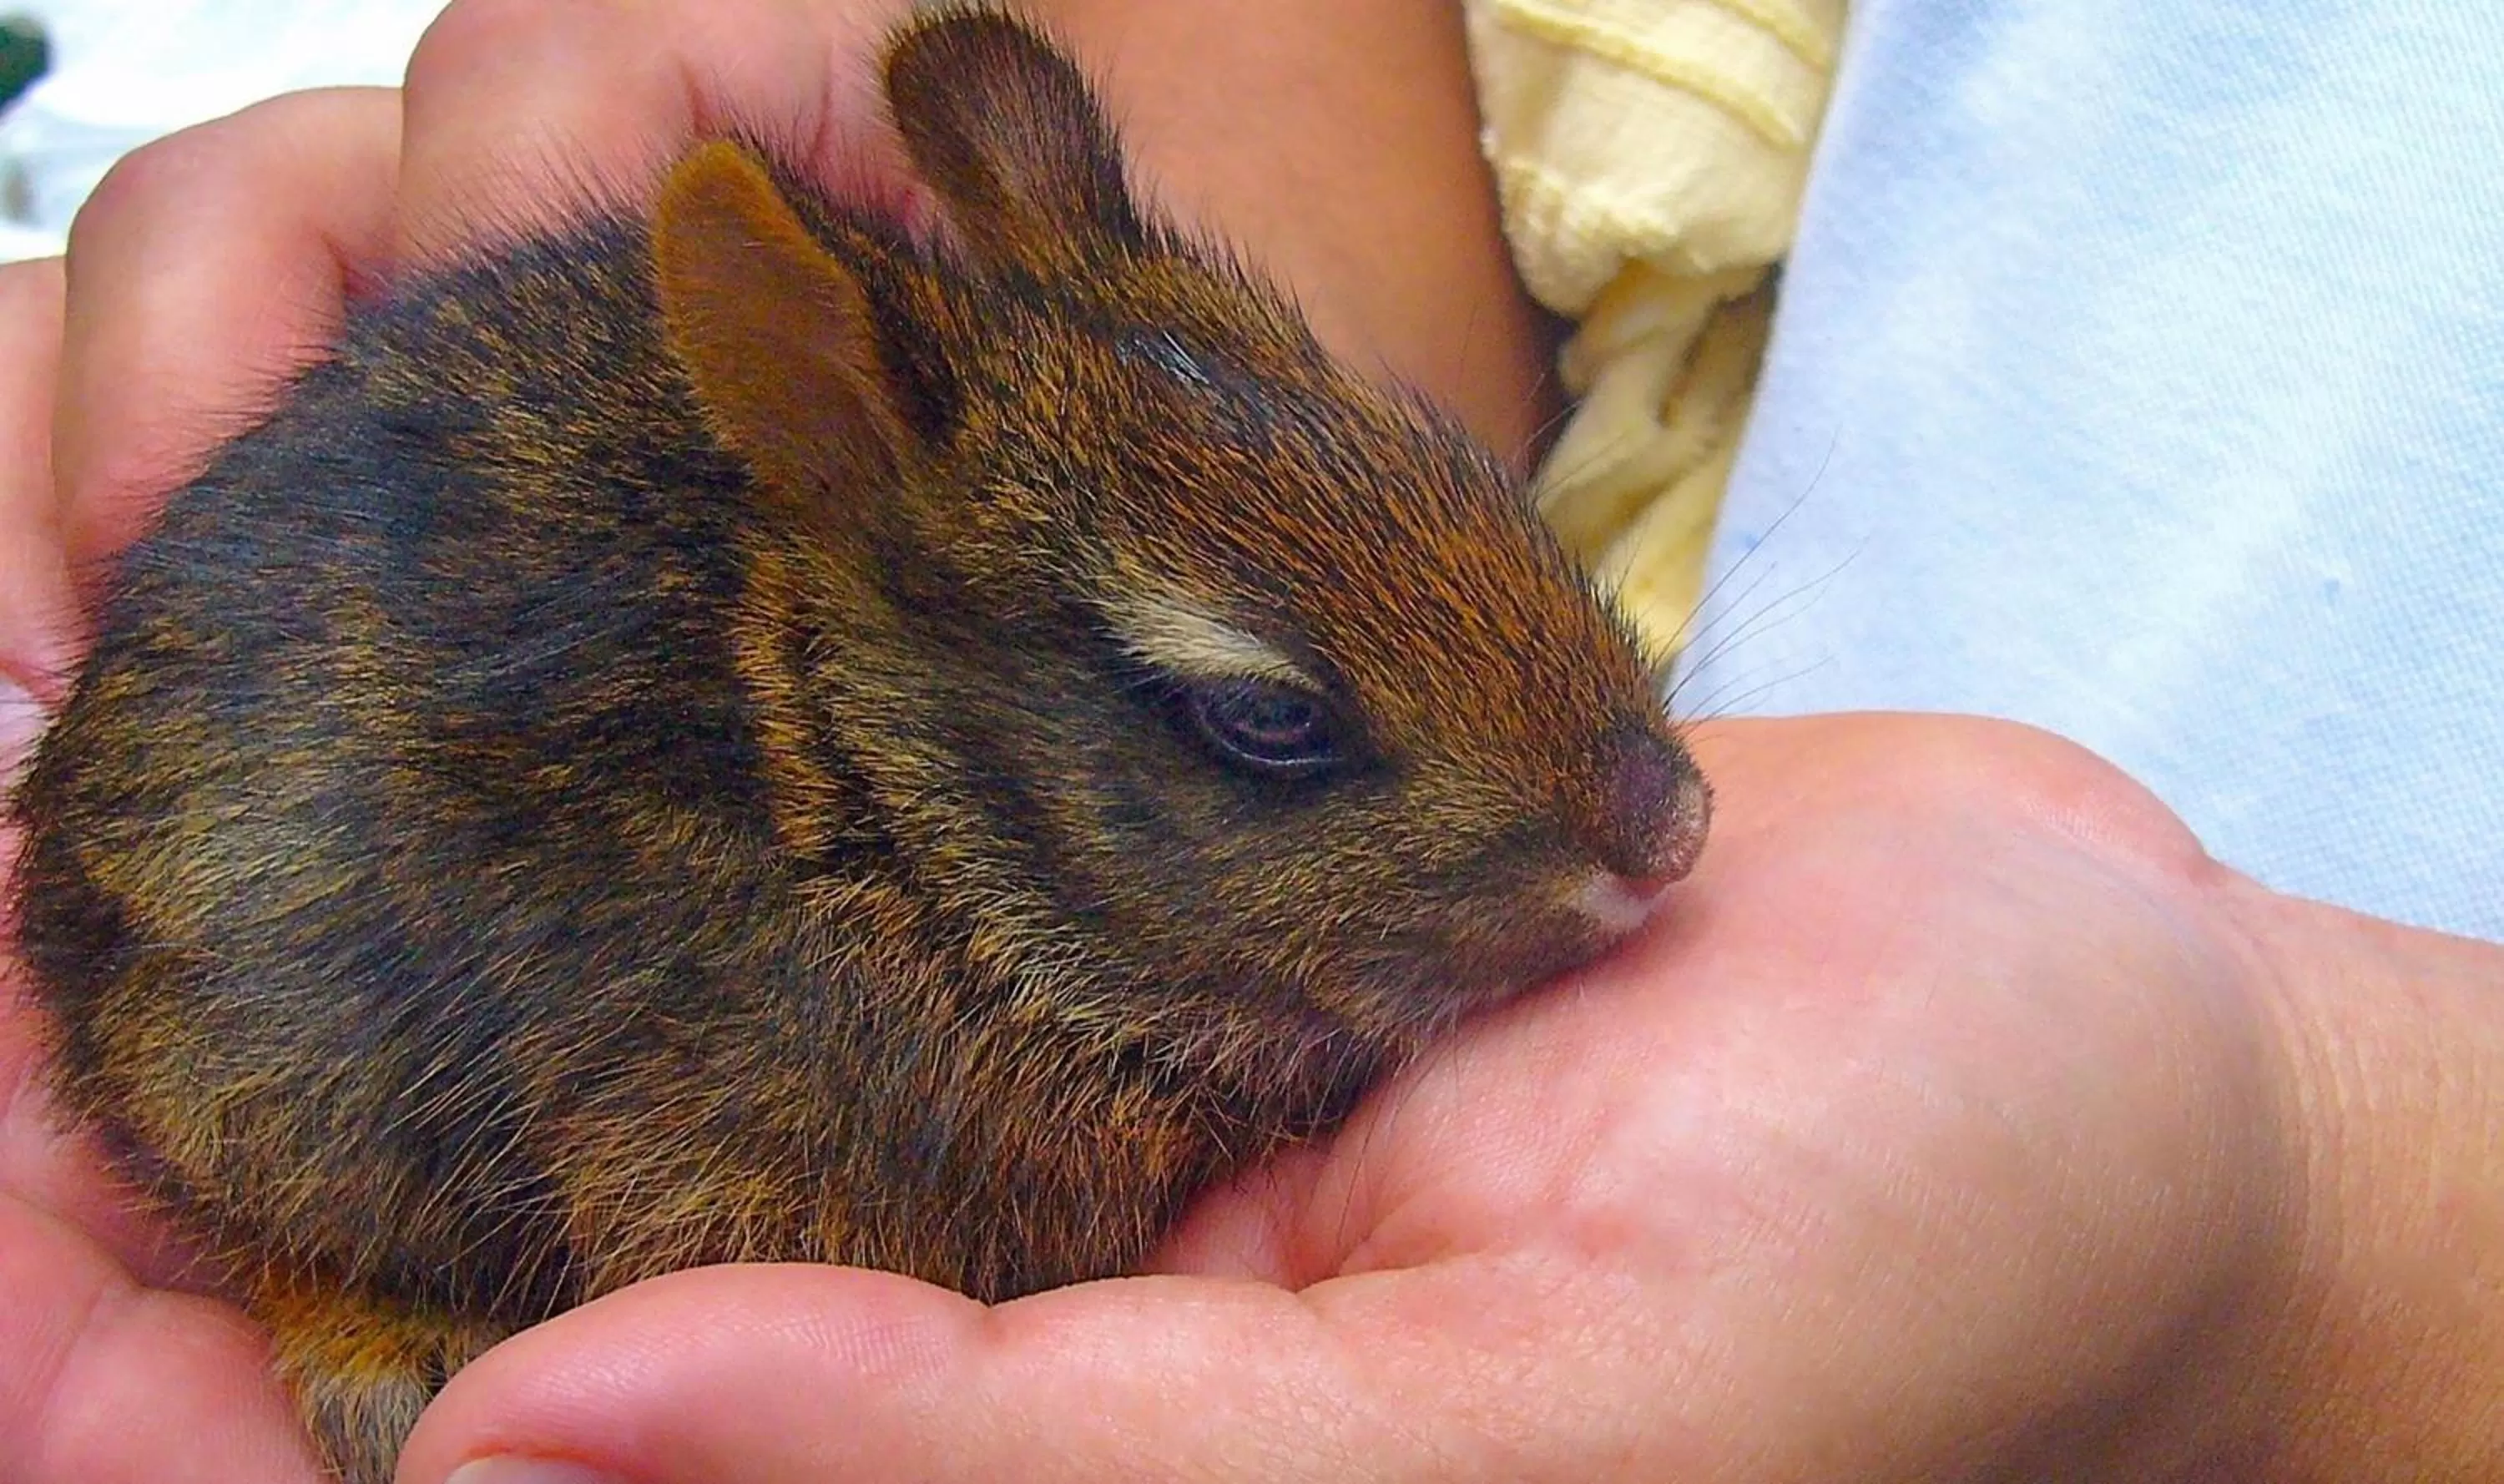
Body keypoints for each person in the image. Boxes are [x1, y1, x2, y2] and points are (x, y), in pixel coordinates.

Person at [0, 3, 2496, 1481]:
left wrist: (2296, 1231)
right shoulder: (863, 984)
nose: (1661, 835)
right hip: (331, 992)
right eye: (1272, 735)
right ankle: (321, 1273)